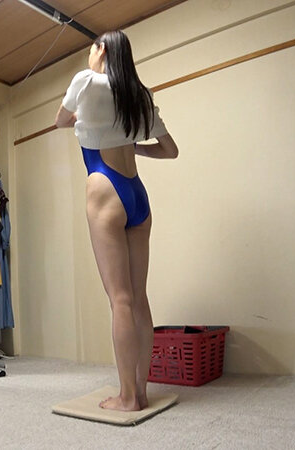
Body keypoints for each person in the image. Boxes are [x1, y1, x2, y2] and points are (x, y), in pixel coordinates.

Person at [55, 30, 179, 411]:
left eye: (92, 49)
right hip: (137, 194)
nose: (89, 55)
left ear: (102, 49)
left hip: (105, 189)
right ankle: (140, 391)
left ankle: (127, 398)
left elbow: (60, 121)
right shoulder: (139, 96)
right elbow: (170, 150)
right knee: (138, 298)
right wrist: (133, 146)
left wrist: (87, 102)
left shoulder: (86, 81)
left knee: (120, 300)